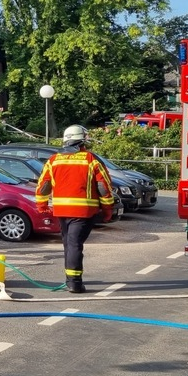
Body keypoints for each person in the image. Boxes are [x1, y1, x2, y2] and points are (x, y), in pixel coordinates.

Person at [34, 125, 115, 293]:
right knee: (74, 245)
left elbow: (43, 186)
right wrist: (108, 210)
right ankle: (74, 282)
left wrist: (42, 206)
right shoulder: (90, 160)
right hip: (84, 212)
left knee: (69, 244)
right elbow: (103, 187)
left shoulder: (53, 160)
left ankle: (70, 279)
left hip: (61, 211)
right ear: (81, 142)